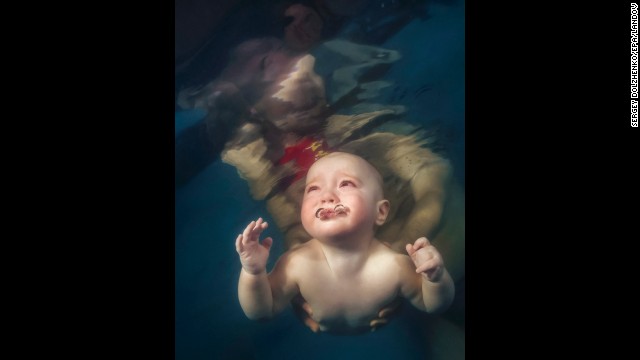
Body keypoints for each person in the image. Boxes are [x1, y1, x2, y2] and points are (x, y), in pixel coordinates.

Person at [235, 152, 455, 333]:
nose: (327, 196)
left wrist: (435, 279)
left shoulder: (395, 266)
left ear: (380, 211)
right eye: (313, 188)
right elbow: (262, 312)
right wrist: (253, 272)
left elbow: (431, 304)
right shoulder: (295, 264)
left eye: (346, 183)